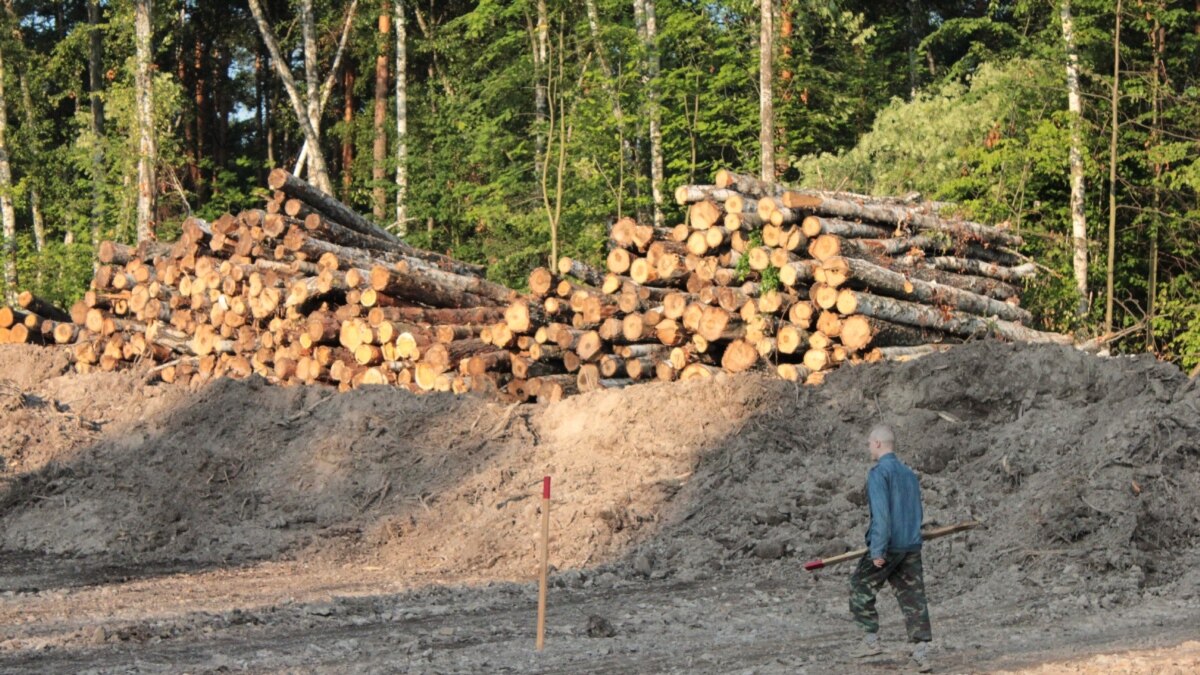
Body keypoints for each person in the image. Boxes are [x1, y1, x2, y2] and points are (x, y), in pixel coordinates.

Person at [850, 423, 933, 672]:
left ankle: (870, 640)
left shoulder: (878, 474)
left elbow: (882, 517)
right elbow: (916, 512)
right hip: (911, 545)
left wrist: (877, 552)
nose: (868, 449)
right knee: (913, 597)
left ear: (877, 443)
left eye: (869, 444)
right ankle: (920, 652)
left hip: (888, 546)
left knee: (860, 586)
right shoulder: (909, 474)